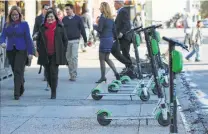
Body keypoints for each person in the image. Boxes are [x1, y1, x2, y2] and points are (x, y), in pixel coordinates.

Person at [0, 6, 33, 100]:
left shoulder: (24, 24)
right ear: (10, 15)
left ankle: (16, 93)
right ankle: (21, 85)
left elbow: (28, 38)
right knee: (15, 71)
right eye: (13, 15)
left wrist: (30, 52)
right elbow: (3, 36)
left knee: (18, 70)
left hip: (21, 50)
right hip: (10, 50)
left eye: (16, 14)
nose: (15, 16)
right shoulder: (7, 24)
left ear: (19, 15)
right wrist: (2, 42)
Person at [36, 10, 68, 99]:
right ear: (46, 18)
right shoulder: (42, 27)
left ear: (55, 18)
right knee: (47, 73)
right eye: (48, 17)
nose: (50, 18)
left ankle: (53, 92)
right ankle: (51, 86)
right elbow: (38, 40)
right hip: (45, 54)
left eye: (52, 17)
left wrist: (63, 50)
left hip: (55, 54)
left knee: (53, 72)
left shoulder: (60, 27)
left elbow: (65, 40)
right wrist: (38, 49)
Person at [94, 2, 120, 83]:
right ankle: (116, 73)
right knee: (107, 58)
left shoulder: (102, 18)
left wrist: (94, 26)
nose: (99, 8)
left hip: (104, 39)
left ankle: (103, 77)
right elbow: (114, 30)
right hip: (110, 39)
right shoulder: (111, 18)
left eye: (100, 7)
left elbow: (100, 29)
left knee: (101, 59)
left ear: (103, 8)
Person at [62, 4, 87, 81]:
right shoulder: (64, 19)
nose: (67, 11)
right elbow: (62, 31)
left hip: (75, 41)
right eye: (66, 10)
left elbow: (82, 29)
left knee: (74, 57)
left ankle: (74, 75)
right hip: (67, 42)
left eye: (68, 9)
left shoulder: (78, 18)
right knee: (68, 58)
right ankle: (71, 74)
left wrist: (85, 40)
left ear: (72, 9)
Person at [113, 0, 135, 77]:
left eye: (114, 4)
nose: (114, 5)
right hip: (123, 37)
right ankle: (129, 69)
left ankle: (130, 68)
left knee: (125, 53)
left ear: (118, 4)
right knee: (125, 53)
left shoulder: (123, 11)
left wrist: (122, 33)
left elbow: (127, 24)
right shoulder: (121, 11)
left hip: (125, 37)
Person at [33, 4, 49, 81]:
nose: (47, 11)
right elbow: (35, 29)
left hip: (49, 41)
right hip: (41, 41)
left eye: (48, 9)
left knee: (49, 58)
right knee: (43, 58)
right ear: (42, 9)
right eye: (46, 9)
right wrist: (34, 39)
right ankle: (46, 72)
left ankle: (47, 74)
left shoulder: (51, 17)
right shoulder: (38, 18)